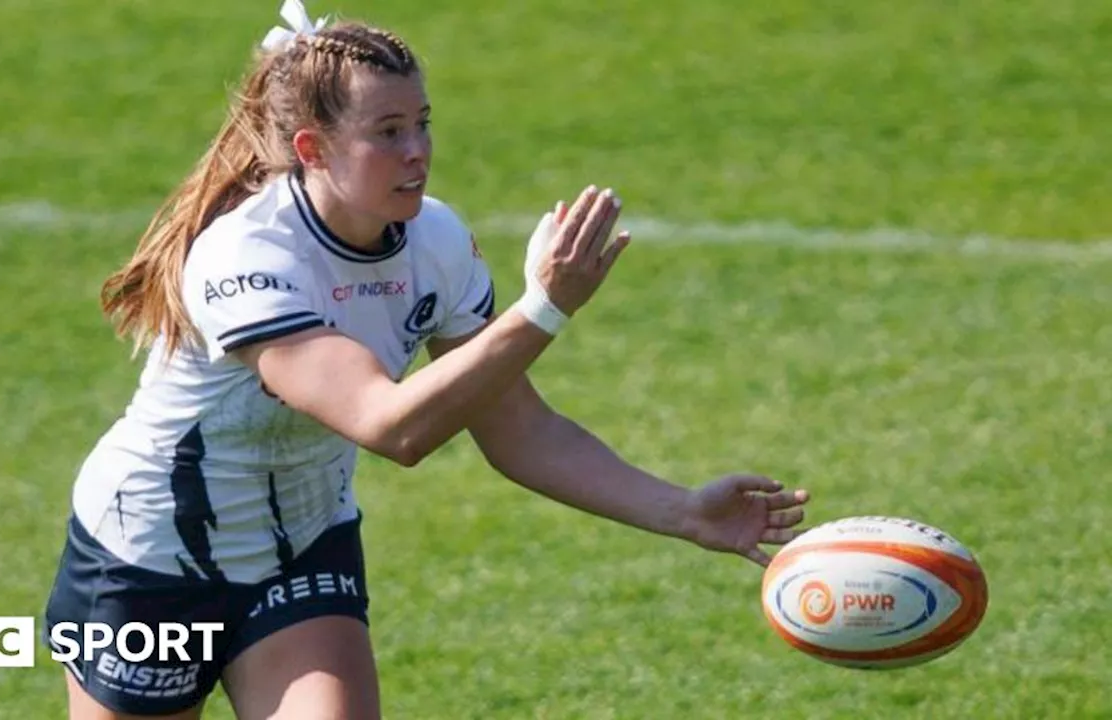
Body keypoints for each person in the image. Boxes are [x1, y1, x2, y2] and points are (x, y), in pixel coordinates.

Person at [41, 1, 812, 718]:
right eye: (387, 132)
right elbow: (390, 427)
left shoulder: (436, 242)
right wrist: (542, 306)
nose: (417, 152)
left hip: (302, 551)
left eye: (422, 124)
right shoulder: (248, 258)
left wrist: (682, 511)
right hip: (149, 561)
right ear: (312, 148)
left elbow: (519, 431)